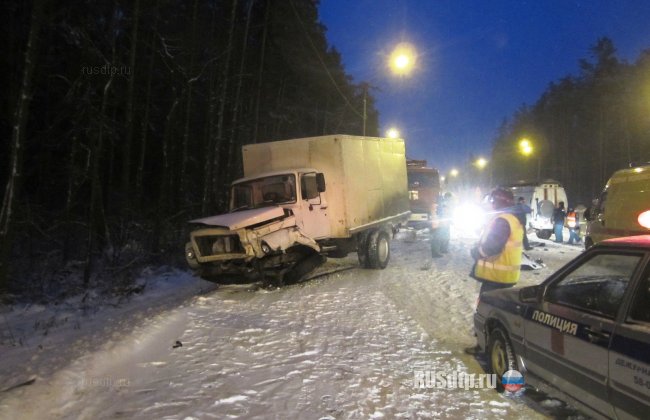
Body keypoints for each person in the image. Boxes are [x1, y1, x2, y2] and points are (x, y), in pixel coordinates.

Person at [465, 188, 523, 354]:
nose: (490, 203)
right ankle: (492, 345)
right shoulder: (512, 218)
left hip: (496, 276)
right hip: (505, 276)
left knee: (486, 312)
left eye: (492, 201)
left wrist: (477, 252)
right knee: (496, 313)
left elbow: (493, 246)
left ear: (499, 202)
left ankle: (484, 347)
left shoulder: (503, 220)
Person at [430, 193, 452, 257]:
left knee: (442, 237)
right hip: (437, 224)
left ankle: (442, 249)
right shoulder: (436, 205)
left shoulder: (442, 205)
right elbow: (436, 215)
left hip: (441, 224)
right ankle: (436, 253)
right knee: (437, 238)